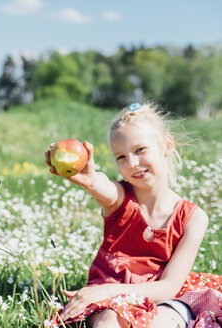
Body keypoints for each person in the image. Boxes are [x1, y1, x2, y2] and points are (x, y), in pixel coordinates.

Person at [45, 102, 221, 328]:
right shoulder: (119, 198)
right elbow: (102, 187)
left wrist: (104, 290)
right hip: (110, 301)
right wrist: (89, 180)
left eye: (140, 150)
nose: (132, 164)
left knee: (163, 323)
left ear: (167, 146)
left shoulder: (193, 218)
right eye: (121, 157)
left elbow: (168, 287)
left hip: (162, 298)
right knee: (107, 322)